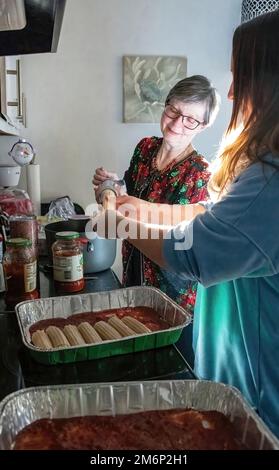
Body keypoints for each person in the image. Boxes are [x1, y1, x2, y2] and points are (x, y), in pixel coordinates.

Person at [104, 11, 279, 437]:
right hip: (234, 379)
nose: (235, 91)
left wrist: (118, 222)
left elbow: (193, 251)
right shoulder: (256, 169)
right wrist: (128, 203)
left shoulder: (267, 180)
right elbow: (210, 218)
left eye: (242, 76)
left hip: (257, 394)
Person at [93, 75, 220, 313]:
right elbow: (128, 193)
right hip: (132, 277)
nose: (176, 124)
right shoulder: (145, 148)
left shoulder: (200, 173)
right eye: (173, 110)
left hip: (172, 293)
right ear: (166, 104)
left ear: (203, 127)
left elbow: (188, 241)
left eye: (190, 120)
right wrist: (110, 187)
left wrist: (121, 219)